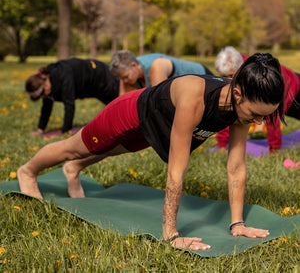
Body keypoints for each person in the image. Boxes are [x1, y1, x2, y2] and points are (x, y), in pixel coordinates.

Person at [17, 53, 285, 251]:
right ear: (237, 94)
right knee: (73, 148)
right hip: (131, 112)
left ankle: (73, 170)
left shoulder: (240, 110)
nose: (258, 123)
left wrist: (237, 224)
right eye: (255, 115)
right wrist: (170, 234)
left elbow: (236, 167)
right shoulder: (196, 97)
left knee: (110, 151)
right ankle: (28, 171)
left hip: (157, 125)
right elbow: (176, 170)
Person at [214, 46, 300, 152]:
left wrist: (274, 149)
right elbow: (227, 110)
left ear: (239, 68)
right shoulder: (235, 68)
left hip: (293, 87)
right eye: (223, 76)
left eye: (231, 76)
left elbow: (272, 116)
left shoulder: (256, 77)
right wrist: (222, 145)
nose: (228, 80)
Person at [25, 58, 134, 134]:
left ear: (45, 80)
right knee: (116, 107)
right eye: (41, 96)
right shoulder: (48, 83)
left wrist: (65, 131)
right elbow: (46, 107)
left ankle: (137, 117)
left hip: (100, 76)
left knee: (122, 101)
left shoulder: (63, 75)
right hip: (90, 88)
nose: (44, 96)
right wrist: (40, 130)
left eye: (43, 93)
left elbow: (69, 105)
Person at [109, 50, 214, 94]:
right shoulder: (128, 71)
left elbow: (159, 104)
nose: (125, 81)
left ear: (134, 65)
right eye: (122, 78)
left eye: (126, 77)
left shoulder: (157, 66)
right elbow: (122, 105)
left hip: (204, 78)